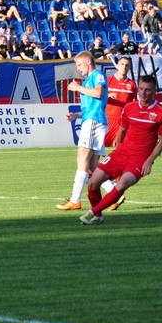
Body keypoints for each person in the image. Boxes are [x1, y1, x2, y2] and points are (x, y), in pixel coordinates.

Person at [80, 75, 162, 225]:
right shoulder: (129, 107)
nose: (143, 93)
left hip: (140, 160)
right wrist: (117, 152)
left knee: (122, 185)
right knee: (93, 183)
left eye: (148, 90)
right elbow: (121, 132)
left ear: (155, 91)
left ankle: (92, 212)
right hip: (121, 153)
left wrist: (149, 161)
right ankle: (99, 216)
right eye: (141, 89)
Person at [57, 51, 108, 211]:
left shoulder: (97, 75)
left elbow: (99, 93)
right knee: (93, 166)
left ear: (88, 61)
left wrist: (78, 87)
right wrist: (75, 115)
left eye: (79, 64)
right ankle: (115, 194)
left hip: (95, 120)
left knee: (82, 156)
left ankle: (75, 200)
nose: (78, 68)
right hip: (90, 118)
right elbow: (89, 107)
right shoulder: (87, 82)